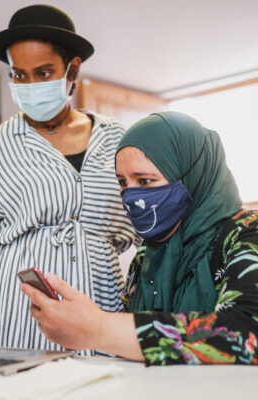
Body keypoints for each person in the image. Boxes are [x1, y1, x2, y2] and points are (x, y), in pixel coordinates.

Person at [0, 4, 138, 351]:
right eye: (19, 74)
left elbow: (148, 222)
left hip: (100, 308)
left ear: (71, 69)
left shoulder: (116, 138)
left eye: (43, 73)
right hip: (16, 315)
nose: (29, 85)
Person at [22, 111, 258, 365]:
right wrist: (83, 325)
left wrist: (100, 328)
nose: (131, 196)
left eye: (145, 180)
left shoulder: (245, 236)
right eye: (123, 182)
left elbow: (247, 332)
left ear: (191, 176)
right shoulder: (148, 255)